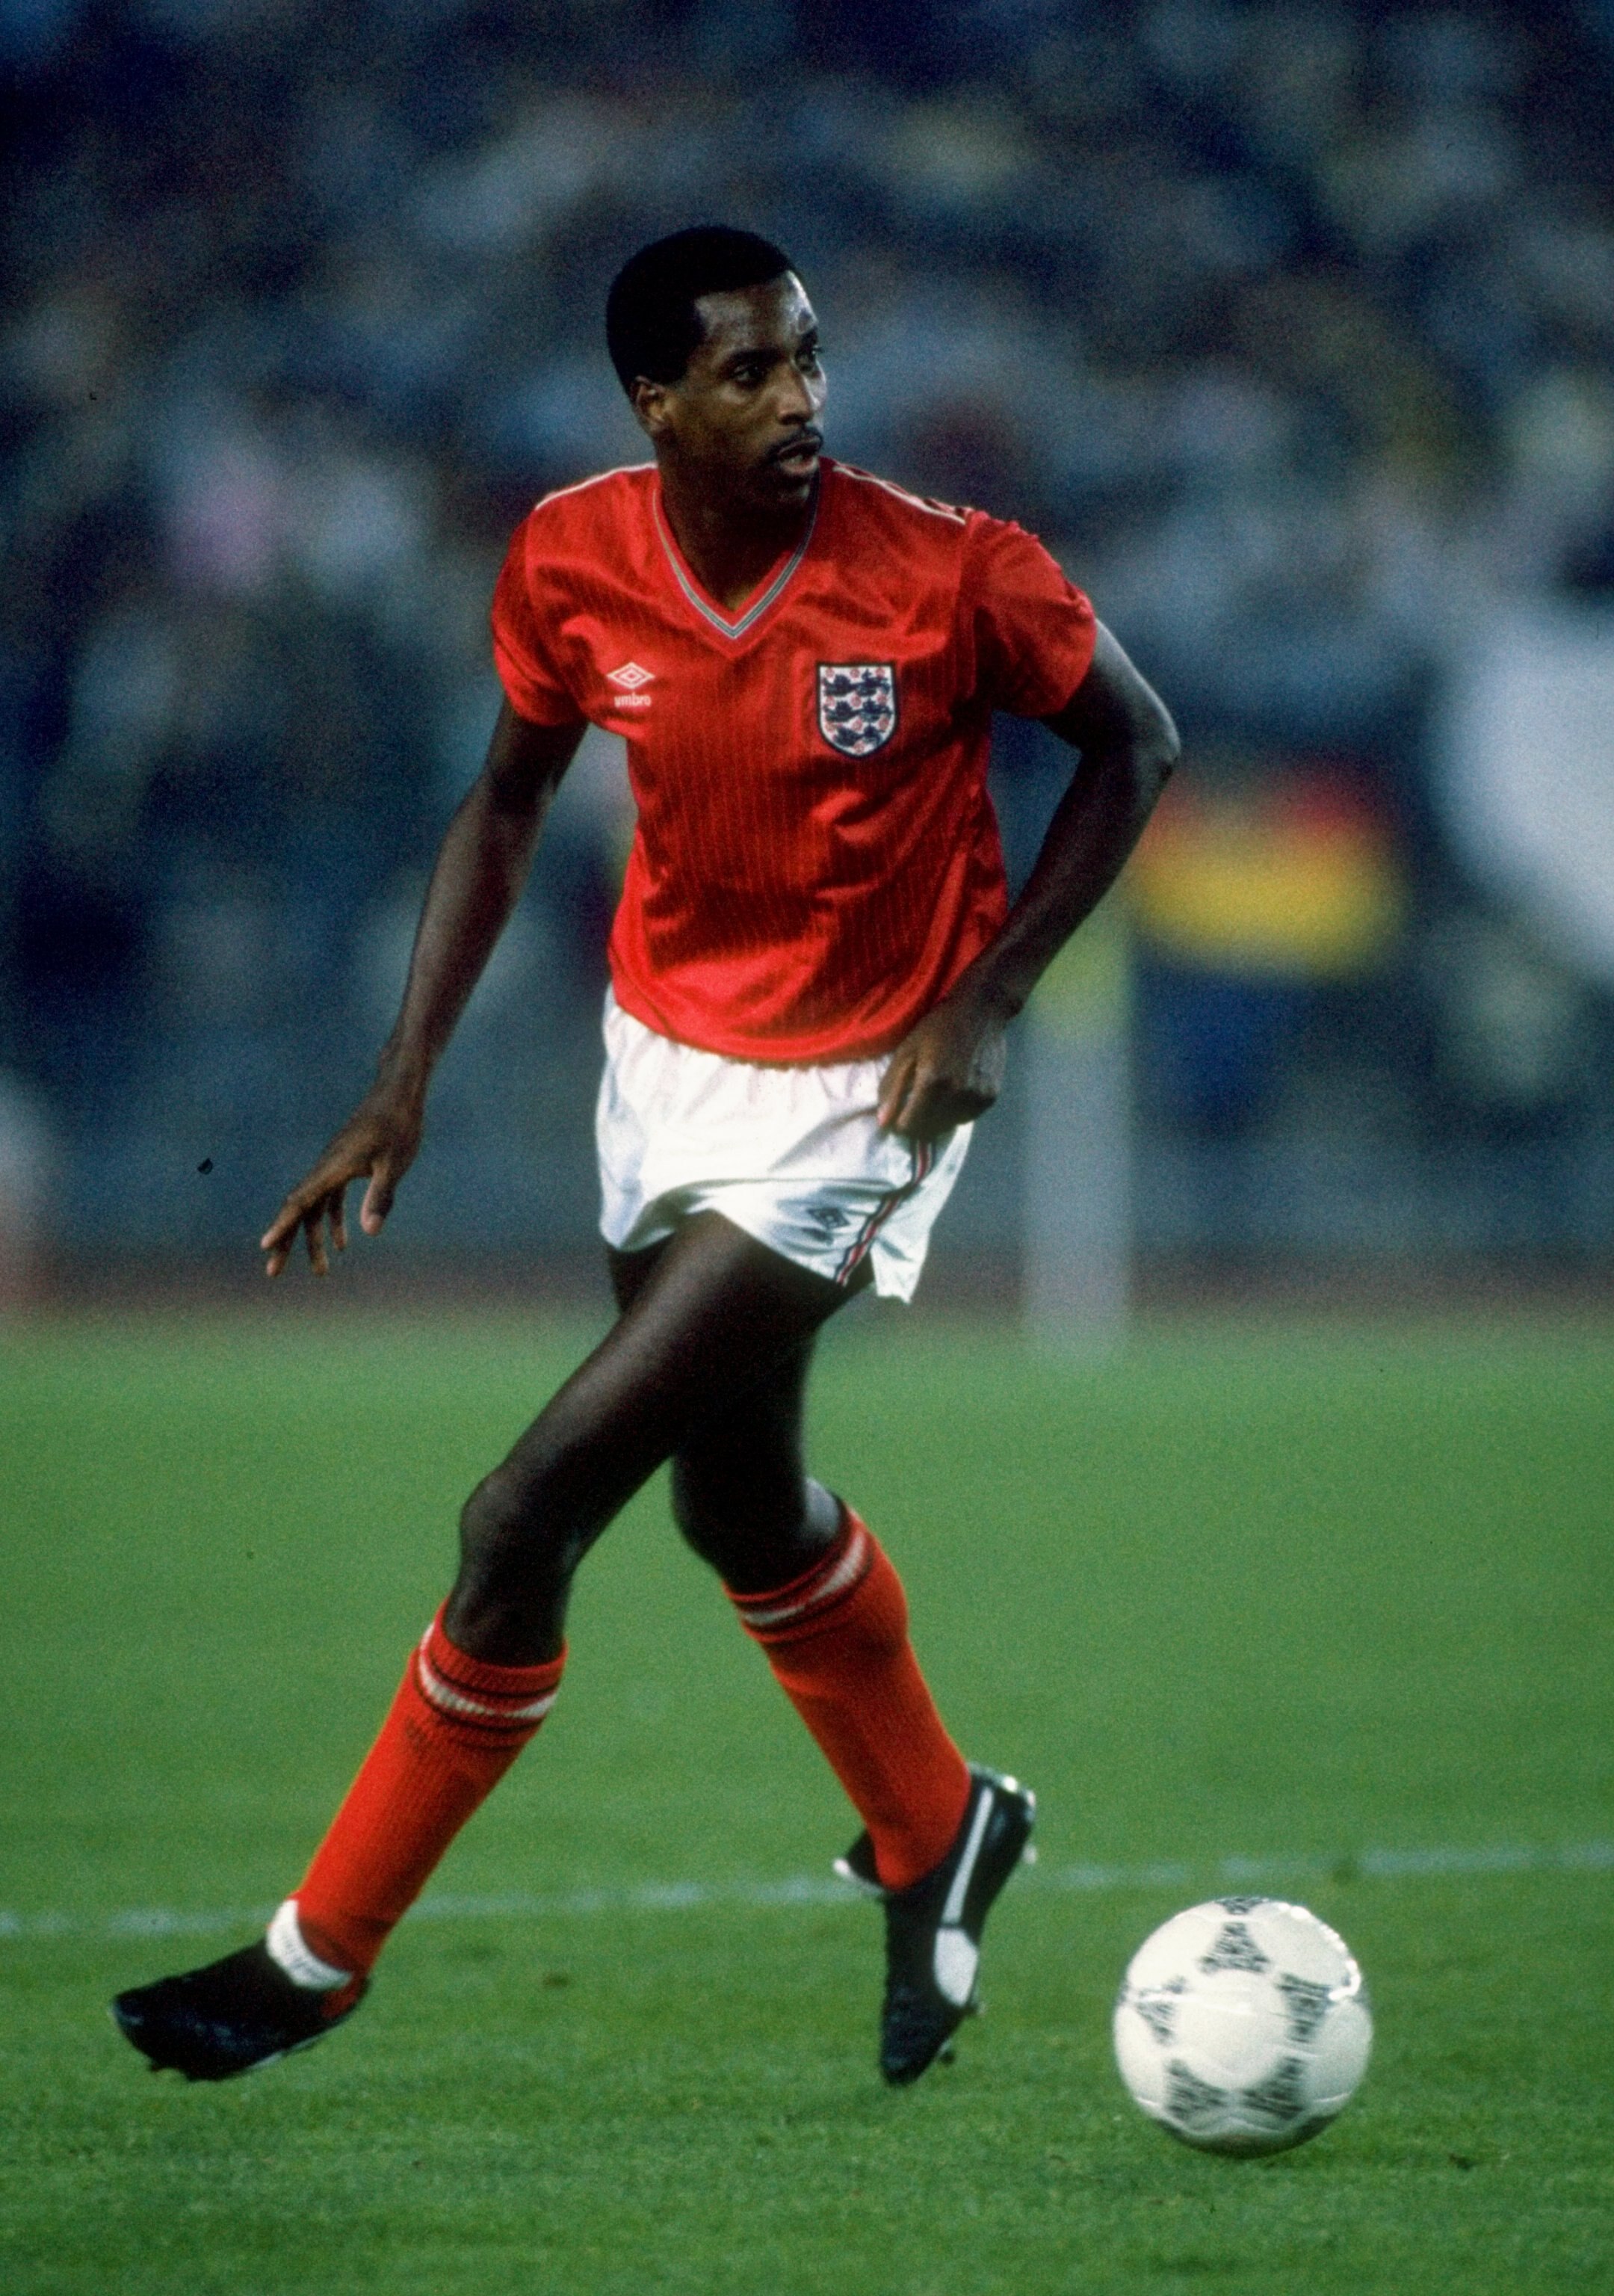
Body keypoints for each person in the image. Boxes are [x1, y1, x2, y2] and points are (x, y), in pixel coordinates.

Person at [112, 226, 1178, 2089]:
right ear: (657, 404)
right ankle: (944, 1830)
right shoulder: (570, 558)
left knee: (527, 1513)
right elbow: (510, 795)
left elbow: (1136, 745)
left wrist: (988, 1001)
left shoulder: (945, 572)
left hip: (865, 1095)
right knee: (738, 1511)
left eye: (811, 359)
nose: (799, 401)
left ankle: (314, 1959)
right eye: (752, 373)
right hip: (663, 1067)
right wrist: (402, 1077)